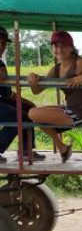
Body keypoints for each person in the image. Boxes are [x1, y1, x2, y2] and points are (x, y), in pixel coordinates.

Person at [27, 31, 82, 162]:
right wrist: (32, 79)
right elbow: (37, 91)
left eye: (63, 46)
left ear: (72, 47)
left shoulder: (80, 63)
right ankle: (62, 148)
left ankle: (62, 148)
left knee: (33, 112)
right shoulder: (55, 69)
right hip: (71, 110)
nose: (59, 50)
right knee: (37, 114)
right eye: (56, 46)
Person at [0, 26, 45, 163]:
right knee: (19, 117)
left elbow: (6, 94)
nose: (2, 47)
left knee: (29, 111)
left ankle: (26, 151)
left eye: (3, 44)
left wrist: (27, 103)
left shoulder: (0, 64)